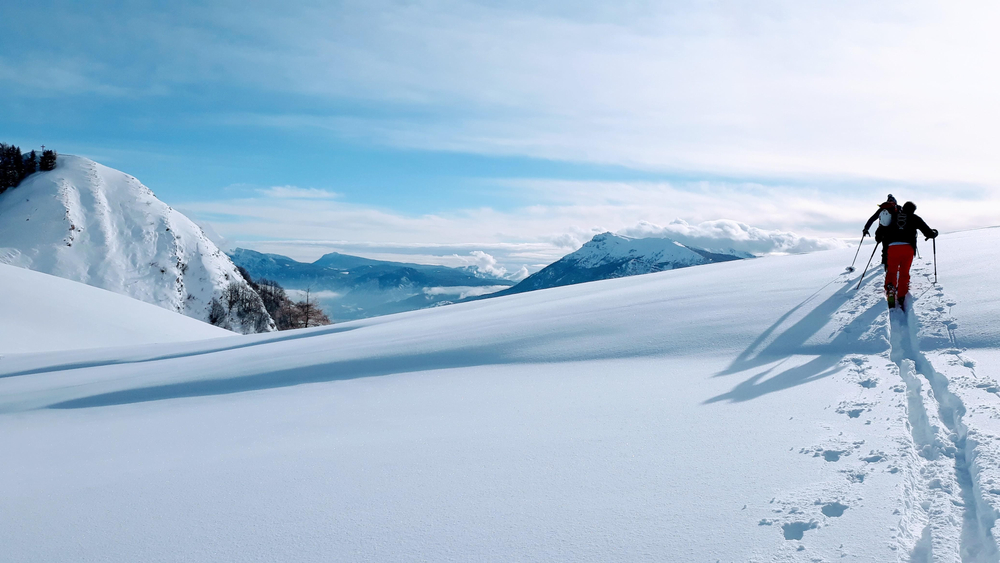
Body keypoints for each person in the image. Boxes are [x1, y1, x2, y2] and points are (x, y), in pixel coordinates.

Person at [882, 200, 937, 310]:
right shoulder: (915, 218)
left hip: (892, 247)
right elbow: (928, 233)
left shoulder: (894, 216)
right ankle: (902, 295)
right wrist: (935, 233)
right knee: (904, 271)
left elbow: (885, 228)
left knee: (892, 270)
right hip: (908, 248)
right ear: (913, 210)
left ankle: (890, 289)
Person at [863, 194, 899, 267]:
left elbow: (872, 218)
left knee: (885, 247)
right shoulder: (897, 208)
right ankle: (893, 262)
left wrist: (866, 228)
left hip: (882, 231)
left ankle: (884, 262)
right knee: (894, 247)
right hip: (894, 231)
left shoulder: (882, 209)